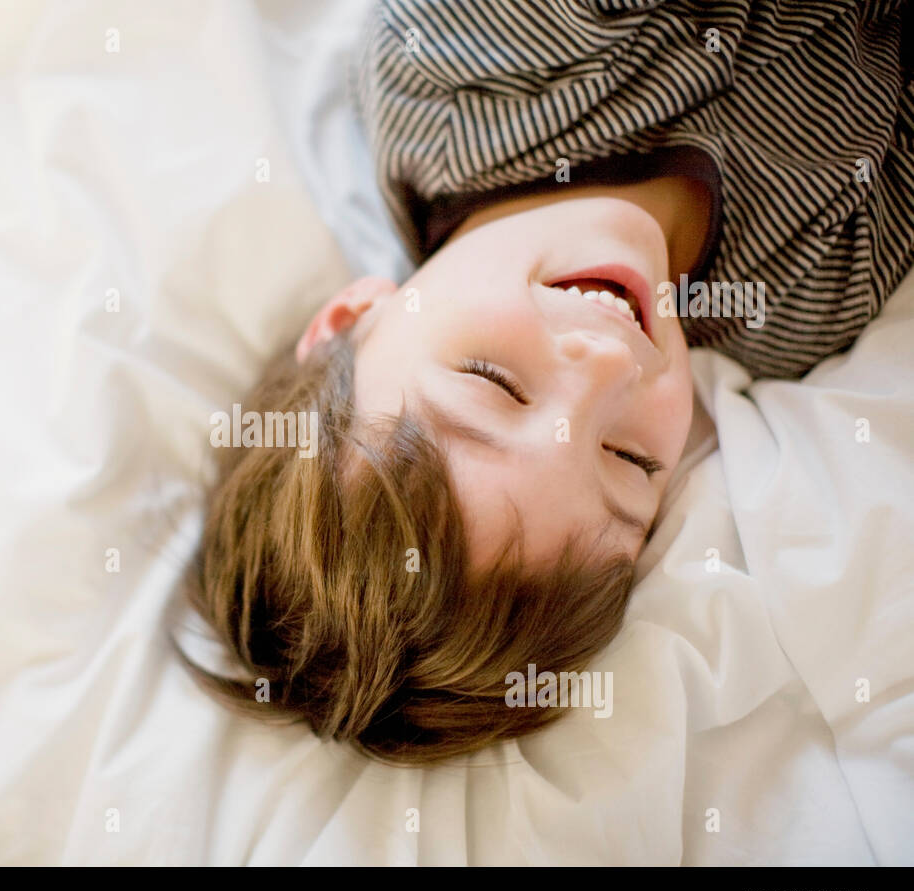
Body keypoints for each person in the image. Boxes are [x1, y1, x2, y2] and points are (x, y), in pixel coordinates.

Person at [176, 0, 913, 766]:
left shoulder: (458, 70)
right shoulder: (810, 303)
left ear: (352, 317)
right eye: (628, 459)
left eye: (493, 382)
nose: (609, 366)